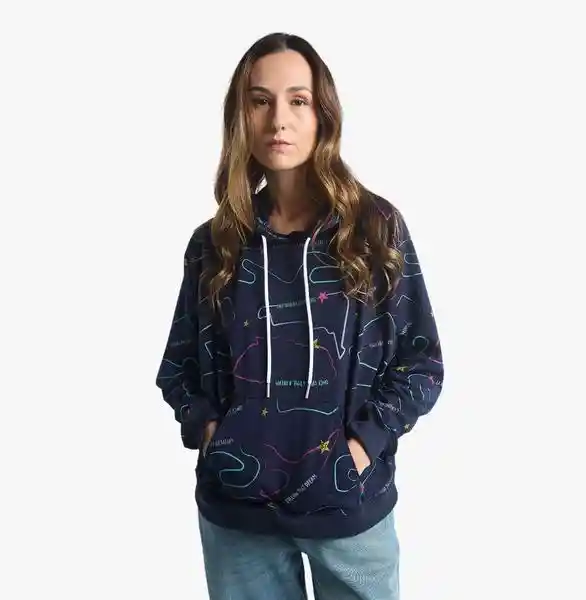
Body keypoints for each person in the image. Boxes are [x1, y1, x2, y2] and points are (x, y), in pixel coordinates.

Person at [155, 31, 444, 600]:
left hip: (349, 509)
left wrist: (360, 448)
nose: (278, 121)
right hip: (238, 518)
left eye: (298, 100)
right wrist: (215, 437)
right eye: (260, 101)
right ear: (240, 116)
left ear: (323, 115)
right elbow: (177, 366)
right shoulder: (215, 243)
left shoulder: (374, 229)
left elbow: (421, 361)